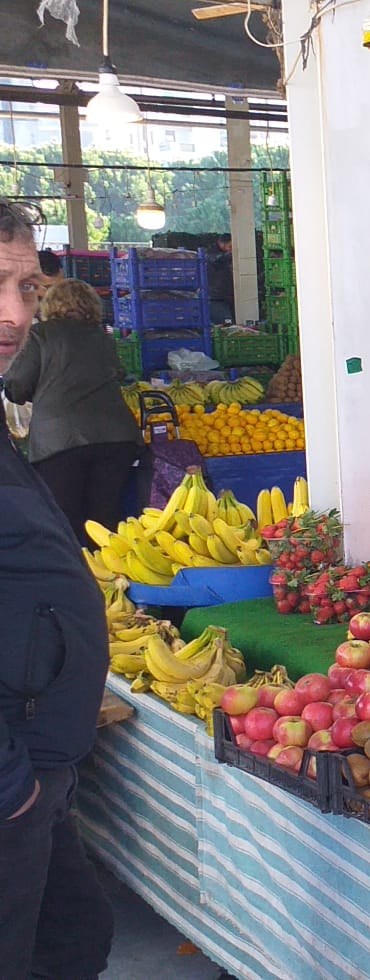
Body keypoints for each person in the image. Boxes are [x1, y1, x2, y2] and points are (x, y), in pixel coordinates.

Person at [0, 195, 117, 980]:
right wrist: (14, 793)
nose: (16, 313)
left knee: (73, 936)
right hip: (14, 781)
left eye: (27, 288)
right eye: (1, 286)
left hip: (38, 754)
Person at [4, 278, 142, 543]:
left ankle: (75, 578)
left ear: (51, 304)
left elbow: (18, 385)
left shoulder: (40, 335)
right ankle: (108, 576)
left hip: (60, 442)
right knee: (105, 521)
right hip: (116, 438)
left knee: (65, 520)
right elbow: (118, 372)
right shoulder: (102, 337)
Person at [209, 233, 235, 323]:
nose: (231, 249)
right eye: (230, 246)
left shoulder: (223, 256)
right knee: (226, 323)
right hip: (216, 297)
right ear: (222, 243)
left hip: (225, 296)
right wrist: (231, 254)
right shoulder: (211, 253)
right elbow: (216, 260)